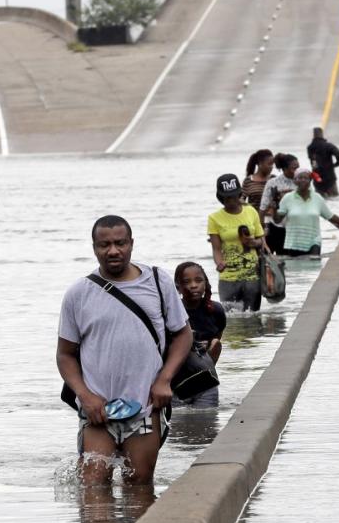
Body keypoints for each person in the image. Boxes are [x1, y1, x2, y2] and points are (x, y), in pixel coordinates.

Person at [56, 215, 192, 486]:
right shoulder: (78, 294)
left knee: (140, 487)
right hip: (97, 411)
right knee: (93, 490)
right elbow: (65, 354)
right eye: (104, 245)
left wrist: (164, 380)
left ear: (131, 244)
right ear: (94, 247)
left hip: (145, 407)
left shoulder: (157, 282)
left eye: (120, 243)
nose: (113, 251)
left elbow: (183, 335)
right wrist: (85, 395)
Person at [208, 173, 267, 311]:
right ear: (220, 197)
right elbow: (216, 249)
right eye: (227, 197)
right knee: (231, 320)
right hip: (228, 277)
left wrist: (254, 243)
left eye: (234, 196)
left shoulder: (251, 211)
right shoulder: (214, 218)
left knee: (252, 317)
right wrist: (219, 263)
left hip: (252, 275)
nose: (231, 200)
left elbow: (262, 241)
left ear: (240, 194)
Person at [275, 167, 339, 257]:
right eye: (300, 178)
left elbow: (331, 216)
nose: (303, 180)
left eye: (306, 178)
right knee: (297, 269)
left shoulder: (317, 198)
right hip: (294, 242)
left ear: (310, 181)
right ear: (295, 181)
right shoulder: (287, 198)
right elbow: (277, 220)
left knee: (313, 264)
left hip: (313, 241)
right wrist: (275, 207)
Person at [173, 262, 226, 407]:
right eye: (186, 282)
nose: (193, 285)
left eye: (198, 280)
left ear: (205, 283)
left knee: (206, 419)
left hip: (205, 376)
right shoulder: (173, 312)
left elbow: (217, 341)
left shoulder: (216, 310)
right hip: (177, 379)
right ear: (178, 287)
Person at [259, 153, 298, 255]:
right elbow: (262, 208)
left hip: (295, 230)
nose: (297, 171)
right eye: (294, 168)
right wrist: (260, 230)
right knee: (269, 261)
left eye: (298, 167)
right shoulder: (273, 183)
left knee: (291, 264)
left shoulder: (302, 182)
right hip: (276, 228)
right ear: (284, 168)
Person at [306, 126, 339, 197]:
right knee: (334, 196)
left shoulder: (310, 147)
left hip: (317, 177)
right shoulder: (328, 145)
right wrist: (338, 163)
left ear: (313, 135)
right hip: (329, 176)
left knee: (320, 197)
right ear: (322, 134)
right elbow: (338, 153)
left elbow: (313, 162)